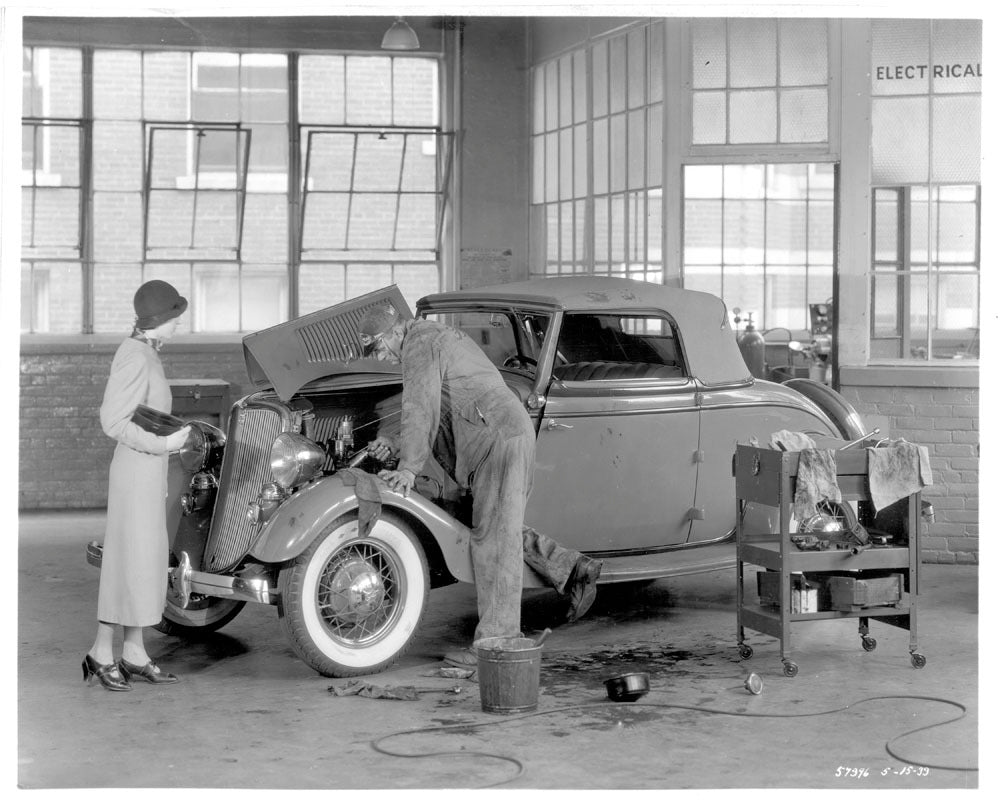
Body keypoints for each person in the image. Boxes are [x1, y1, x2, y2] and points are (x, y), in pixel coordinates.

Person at [357, 304, 602, 667]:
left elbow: (420, 407)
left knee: (494, 539)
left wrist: (408, 469)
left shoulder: (419, 344)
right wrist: (393, 443)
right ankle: (571, 568)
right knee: (495, 525)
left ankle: (499, 642)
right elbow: (439, 405)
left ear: (395, 331)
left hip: (496, 439)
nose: (381, 357)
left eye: (379, 348)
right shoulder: (431, 337)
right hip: (497, 435)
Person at [82, 280, 192, 691]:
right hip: (135, 472)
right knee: (126, 562)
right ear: (160, 318)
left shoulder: (147, 352)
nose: (179, 322)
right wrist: (165, 444)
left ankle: (134, 652)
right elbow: (113, 421)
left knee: (144, 563)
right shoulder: (134, 355)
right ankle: (100, 652)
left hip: (148, 473)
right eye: (175, 315)